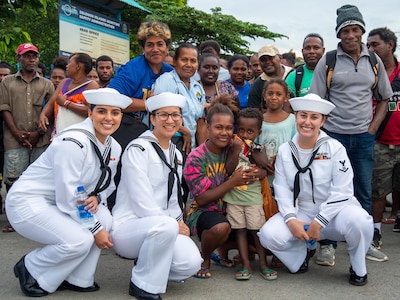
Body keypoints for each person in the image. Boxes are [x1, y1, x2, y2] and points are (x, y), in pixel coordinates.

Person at [6, 88, 131, 297]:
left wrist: (96, 197)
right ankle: (31, 267)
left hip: (63, 201)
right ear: (90, 113)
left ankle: (79, 278)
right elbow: (69, 193)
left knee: (105, 218)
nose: (108, 118)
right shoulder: (73, 142)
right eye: (101, 111)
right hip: (28, 202)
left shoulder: (114, 147)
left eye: (115, 112)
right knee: (79, 240)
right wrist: (95, 229)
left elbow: (107, 183)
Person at [258, 93, 374, 286]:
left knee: (361, 221)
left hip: (335, 213)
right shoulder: (286, 150)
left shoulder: (335, 148)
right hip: (302, 211)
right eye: (303, 115)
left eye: (314, 117)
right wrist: (291, 219)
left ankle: (358, 266)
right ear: (295, 117)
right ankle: (301, 254)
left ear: (323, 120)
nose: (307, 122)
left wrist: (320, 220)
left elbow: (343, 190)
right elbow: (282, 188)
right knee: (269, 235)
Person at [309, 4, 393, 264]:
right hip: (333, 137)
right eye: (345, 30)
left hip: (364, 138)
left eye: (355, 29)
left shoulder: (374, 60)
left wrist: (373, 128)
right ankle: (327, 245)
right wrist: (322, 131)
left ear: (362, 32)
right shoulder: (329, 60)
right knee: (328, 190)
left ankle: (364, 243)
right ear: (339, 34)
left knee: (363, 190)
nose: (350, 35)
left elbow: (385, 99)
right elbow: (316, 99)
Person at [111, 92, 202, 300]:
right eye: (163, 115)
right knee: (167, 226)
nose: (170, 120)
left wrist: (179, 221)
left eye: (175, 115)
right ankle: (142, 285)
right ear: (152, 119)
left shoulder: (176, 153)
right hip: (129, 226)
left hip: (161, 225)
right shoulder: (138, 148)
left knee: (190, 262)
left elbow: (173, 197)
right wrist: (172, 224)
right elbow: (140, 198)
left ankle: (148, 263)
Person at [183, 97, 259, 279]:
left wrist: (256, 172)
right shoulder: (196, 157)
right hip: (203, 212)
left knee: (263, 246)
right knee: (220, 228)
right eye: (218, 127)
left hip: (235, 209)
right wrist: (233, 181)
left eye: (228, 128)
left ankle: (224, 246)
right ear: (207, 127)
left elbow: (260, 161)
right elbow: (202, 199)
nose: (224, 133)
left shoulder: (236, 146)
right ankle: (205, 257)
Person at [0, 43, 54, 233]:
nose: (31, 59)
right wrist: (15, 132)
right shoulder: (7, 82)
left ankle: (35, 218)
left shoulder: (47, 84)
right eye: (27, 56)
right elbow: (4, 108)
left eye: (34, 56)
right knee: (13, 179)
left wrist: (37, 133)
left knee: (38, 181)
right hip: (13, 138)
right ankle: (14, 219)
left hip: (39, 139)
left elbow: (52, 111)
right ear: (19, 59)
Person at [224, 107, 277, 281]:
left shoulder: (258, 147)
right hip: (234, 198)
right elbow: (229, 169)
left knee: (257, 231)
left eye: (250, 131)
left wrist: (253, 149)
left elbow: (266, 166)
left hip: (253, 199)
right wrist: (235, 150)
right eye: (241, 130)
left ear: (258, 132)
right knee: (240, 231)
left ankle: (263, 263)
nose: (245, 134)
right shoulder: (231, 146)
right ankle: (246, 264)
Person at [367, 27, 400, 252]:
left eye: (375, 44)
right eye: (368, 45)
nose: (370, 49)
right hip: (379, 143)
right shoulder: (369, 73)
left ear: (390, 45)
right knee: (378, 190)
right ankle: (375, 231)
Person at [109, 20, 173, 127]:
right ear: (143, 48)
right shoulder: (132, 68)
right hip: (127, 126)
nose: (155, 49)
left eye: (160, 44)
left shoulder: (171, 72)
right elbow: (112, 99)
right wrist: (148, 104)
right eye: (150, 45)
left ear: (167, 47)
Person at [153, 43, 205, 153]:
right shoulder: (166, 81)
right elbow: (159, 114)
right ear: (175, 61)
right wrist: (184, 131)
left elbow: (199, 120)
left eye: (193, 61)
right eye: (184, 60)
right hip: (167, 143)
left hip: (190, 147)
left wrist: (201, 151)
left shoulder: (198, 88)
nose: (189, 64)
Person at [39, 52, 98, 135]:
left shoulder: (91, 85)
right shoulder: (64, 82)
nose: (67, 66)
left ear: (78, 66)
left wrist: (66, 103)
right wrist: (43, 115)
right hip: (59, 135)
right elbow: (51, 103)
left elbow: (92, 112)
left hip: (79, 138)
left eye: (70, 63)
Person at [256, 79, 296, 186]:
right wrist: (262, 162)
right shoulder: (258, 120)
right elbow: (252, 144)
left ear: (286, 97)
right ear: (264, 96)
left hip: (285, 172)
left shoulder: (292, 120)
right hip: (263, 173)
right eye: (270, 93)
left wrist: (281, 159)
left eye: (278, 94)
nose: (274, 97)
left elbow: (296, 146)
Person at [248, 44, 292, 110]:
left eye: (270, 58)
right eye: (263, 60)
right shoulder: (258, 85)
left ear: (280, 57)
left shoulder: (294, 75)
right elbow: (254, 111)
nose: (267, 62)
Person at [0, 61, 11, 216]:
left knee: (11, 178)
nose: (2, 78)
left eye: (5, 75)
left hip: (10, 141)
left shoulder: (14, 92)